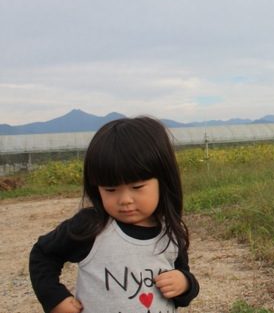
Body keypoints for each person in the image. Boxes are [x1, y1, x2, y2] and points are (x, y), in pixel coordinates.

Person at [30, 116, 199, 313]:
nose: (125, 199)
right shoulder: (92, 226)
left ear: (163, 180)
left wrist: (185, 284)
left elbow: (183, 282)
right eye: (110, 189)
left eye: (137, 187)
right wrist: (55, 298)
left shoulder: (170, 232)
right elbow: (43, 255)